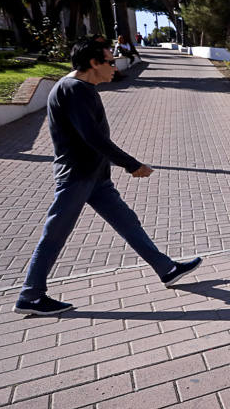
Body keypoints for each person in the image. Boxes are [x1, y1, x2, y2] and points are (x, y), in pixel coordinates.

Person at [14, 38, 202, 315]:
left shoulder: (77, 87)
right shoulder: (76, 89)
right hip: (78, 177)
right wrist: (132, 164)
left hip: (94, 178)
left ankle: (167, 268)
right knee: (54, 235)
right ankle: (31, 296)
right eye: (110, 62)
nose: (115, 67)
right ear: (93, 63)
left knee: (128, 223)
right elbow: (93, 138)